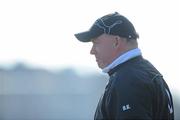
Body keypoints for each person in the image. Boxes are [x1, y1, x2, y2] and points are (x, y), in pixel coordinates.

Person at [74, 12, 174, 120]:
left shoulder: (128, 79)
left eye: (96, 43)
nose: (92, 51)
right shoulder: (145, 72)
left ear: (116, 42)